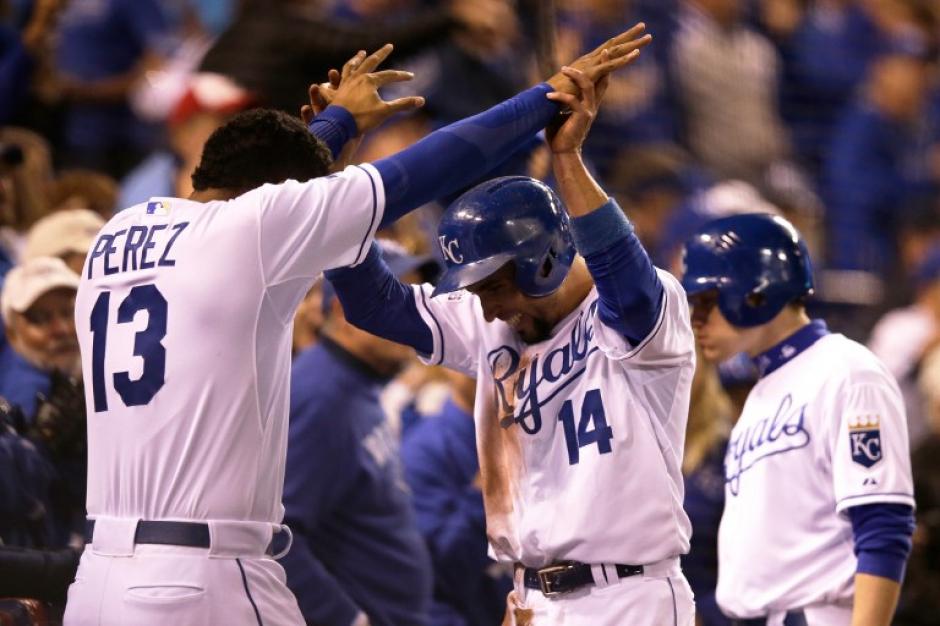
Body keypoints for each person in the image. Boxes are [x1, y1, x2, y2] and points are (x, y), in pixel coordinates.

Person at [64, 27, 652, 626]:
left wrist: (334, 128)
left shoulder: (116, 233)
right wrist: (546, 98)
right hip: (200, 579)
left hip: (99, 576)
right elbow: (431, 164)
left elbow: (266, 180)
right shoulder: (250, 229)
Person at [326, 59, 696, 625]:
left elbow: (621, 270)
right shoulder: (490, 322)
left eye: (494, 286)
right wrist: (335, 180)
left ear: (544, 259)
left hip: (626, 597)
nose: (486, 306)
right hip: (529, 597)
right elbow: (371, 303)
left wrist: (567, 159)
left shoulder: (641, 316)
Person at [680, 213, 916, 625]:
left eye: (707, 302)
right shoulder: (761, 395)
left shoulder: (846, 369)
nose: (696, 320)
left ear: (756, 292)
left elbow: (883, 523)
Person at [280, 240, 433, 626]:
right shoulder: (320, 396)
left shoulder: (355, 381)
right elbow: (278, 535)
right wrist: (347, 618)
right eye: (393, 300)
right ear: (342, 309)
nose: (410, 317)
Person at [401, 370, 513, 626]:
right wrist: (485, 495)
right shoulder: (423, 451)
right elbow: (438, 573)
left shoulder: (539, 434)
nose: (489, 371)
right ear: (449, 366)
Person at [0, 256, 81, 420]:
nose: (61, 329)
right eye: (40, 318)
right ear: (12, 333)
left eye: (68, 312)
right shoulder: (24, 393)